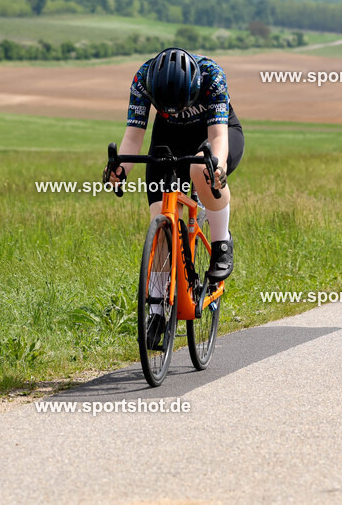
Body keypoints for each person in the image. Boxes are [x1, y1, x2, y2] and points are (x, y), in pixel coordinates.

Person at [105, 47, 244, 347]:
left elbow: (219, 137)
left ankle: (221, 243)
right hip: (168, 138)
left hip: (214, 133)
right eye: (168, 107)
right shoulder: (143, 79)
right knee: (161, 218)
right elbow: (134, 135)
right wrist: (121, 170)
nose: (176, 111)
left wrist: (216, 165)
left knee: (201, 172)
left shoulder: (211, 76)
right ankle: (156, 311)